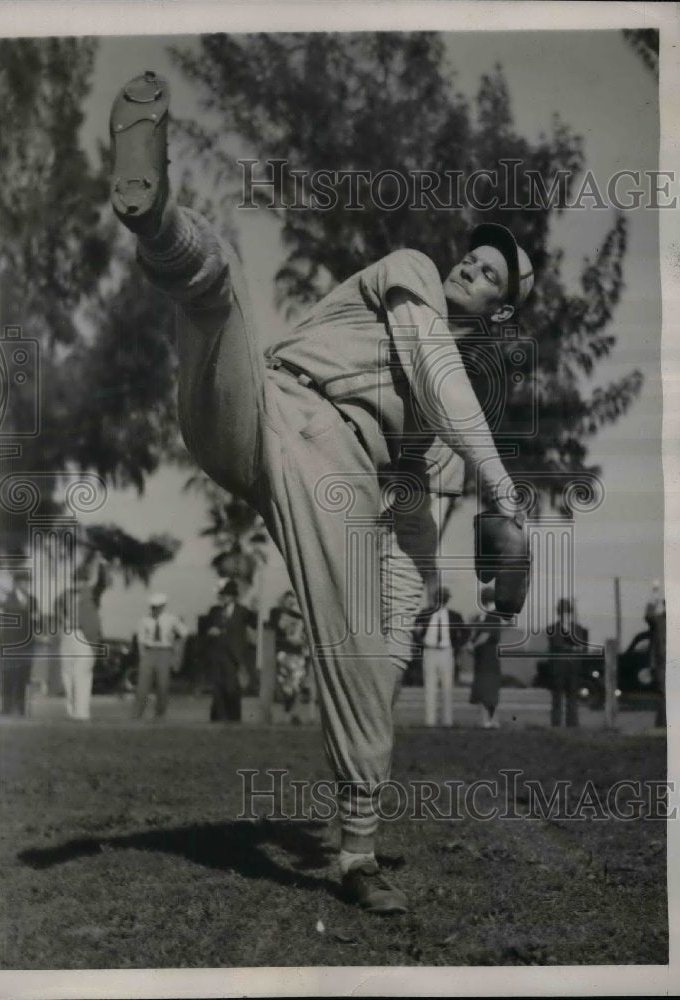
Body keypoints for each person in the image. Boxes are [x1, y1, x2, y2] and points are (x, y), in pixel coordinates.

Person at [108, 71, 532, 913]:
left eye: (490, 276)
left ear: (497, 314)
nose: (470, 265)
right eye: (475, 255)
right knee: (218, 284)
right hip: (263, 402)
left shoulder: (434, 421)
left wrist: (392, 641)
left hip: (332, 469)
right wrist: (507, 501)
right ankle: (153, 216)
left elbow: (411, 529)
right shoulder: (411, 271)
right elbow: (434, 370)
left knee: (362, 653)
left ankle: (355, 856)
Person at [416, 582, 466, 727]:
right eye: (439, 596)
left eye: (444, 597)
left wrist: (457, 646)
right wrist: (420, 641)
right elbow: (414, 629)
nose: (441, 599)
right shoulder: (425, 613)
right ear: (435, 598)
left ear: (447, 599)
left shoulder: (454, 616)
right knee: (429, 687)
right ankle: (430, 721)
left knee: (447, 687)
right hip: (429, 651)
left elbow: (465, 633)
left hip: (446, 652)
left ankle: (447, 721)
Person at [58, 564, 103, 721]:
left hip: (84, 636)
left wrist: (102, 565)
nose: (79, 583)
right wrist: (62, 620)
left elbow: (102, 583)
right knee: (67, 675)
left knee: (81, 674)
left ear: (87, 581)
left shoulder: (92, 594)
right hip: (67, 635)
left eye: (82, 580)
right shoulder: (65, 595)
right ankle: (71, 710)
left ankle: (82, 712)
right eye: (76, 580)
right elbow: (58, 609)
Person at [134, 593, 189, 720]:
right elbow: (141, 640)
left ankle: (160, 714)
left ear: (163, 606)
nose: (155, 609)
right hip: (149, 651)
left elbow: (184, 633)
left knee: (162, 684)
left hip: (164, 652)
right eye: (153, 607)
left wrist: (177, 651)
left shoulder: (171, 619)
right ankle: (137, 714)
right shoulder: (144, 620)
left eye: (158, 606)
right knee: (142, 686)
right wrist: (142, 656)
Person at [204, 580, 252, 722]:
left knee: (232, 688)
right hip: (217, 654)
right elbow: (206, 629)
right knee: (217, 687)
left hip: (233, 655)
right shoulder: (215, 611)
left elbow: (252, 627)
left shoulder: (243, 611)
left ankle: (234, 717)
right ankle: (219, 717)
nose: (224, 598)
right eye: (222, 595)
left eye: (227, 595)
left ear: (233, 596)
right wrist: (211, 632)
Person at [546, 597, 589, 728]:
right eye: (563, 612)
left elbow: (584, 647)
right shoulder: (552, 629)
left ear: (571, 613)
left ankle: (573, 725)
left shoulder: (579, 629)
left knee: (573, 699)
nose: (565, 615)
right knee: (557, 699)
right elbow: (558, 644)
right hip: (558, 669)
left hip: (574, 669)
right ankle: (556, 725)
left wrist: (576, 648)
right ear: (559, 614)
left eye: (567, 612)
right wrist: (573, 648)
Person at [270, 590, 312, 724]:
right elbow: (277, 627)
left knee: (295, 684)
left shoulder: (302, 617)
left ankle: (292, 714)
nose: (290, 604)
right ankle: (290, 713)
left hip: (297, 654)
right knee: (287, 685)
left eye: (292, 601)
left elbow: (304, 637)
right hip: (284, 653)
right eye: (288, 601)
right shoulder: (277, 613)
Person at [469, 585, 505, 728]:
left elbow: (485, 636)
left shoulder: (492, 616)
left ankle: (488, 720)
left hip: (487, 657)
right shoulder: (486, 616)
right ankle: (491, 720)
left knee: (486, 689)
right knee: (488, 689)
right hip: (484, 658)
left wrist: (472, 645)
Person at [0, 577, 35, 717]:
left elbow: (34, 621)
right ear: (16, 584)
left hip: (27, 644)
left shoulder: (32, 600)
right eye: (22, 582)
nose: (25, 585)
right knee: (8, 675)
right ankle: (6, 707)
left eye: (27, 582)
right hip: (10, 644)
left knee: (23, 676)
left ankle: (21, 707)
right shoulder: (8, 599)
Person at [645, 581, 666, 728]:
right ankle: (662, 725)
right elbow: (649, 615)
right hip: (663, 664)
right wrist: (655, 593)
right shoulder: (659, 621)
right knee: (664, 695)